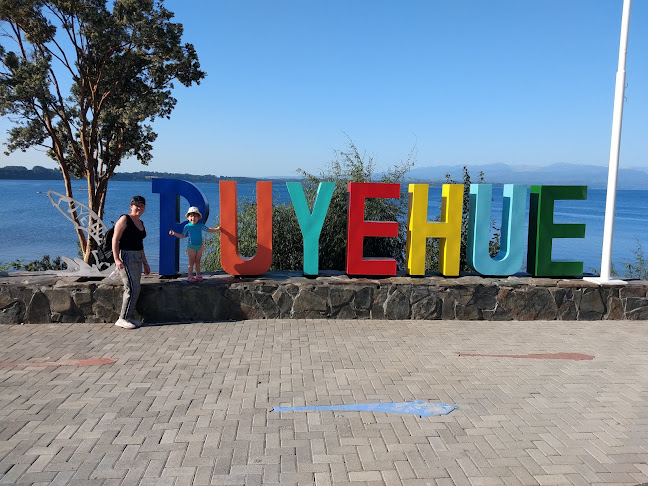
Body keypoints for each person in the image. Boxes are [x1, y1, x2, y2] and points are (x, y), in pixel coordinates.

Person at [112, 195, 150, 329]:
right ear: (131, 206)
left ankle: (128, 316)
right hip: (126, 256)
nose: (139, 208)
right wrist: (117, 259)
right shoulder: (124, 219)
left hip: (138, 256)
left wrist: (145, 262)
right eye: (137, 205)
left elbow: (140, 244)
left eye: (142, 206)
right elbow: (115, 239)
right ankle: (122, 318)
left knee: (136, 288)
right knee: (131, 287)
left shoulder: (141, 222)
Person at [169, 206, 220, 282]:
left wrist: (217, 229)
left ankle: (198, 275)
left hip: (199, 246)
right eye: (191, 216)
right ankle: (190, 276)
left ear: (198, 218)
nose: (193, 218)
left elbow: (208, 230)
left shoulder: (200, 225)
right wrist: (174, 233)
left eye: (195, 216)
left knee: (198, 261)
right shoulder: (187, 226)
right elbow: (183, 236)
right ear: (188, 218)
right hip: (191, 246)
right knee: (191, 262)